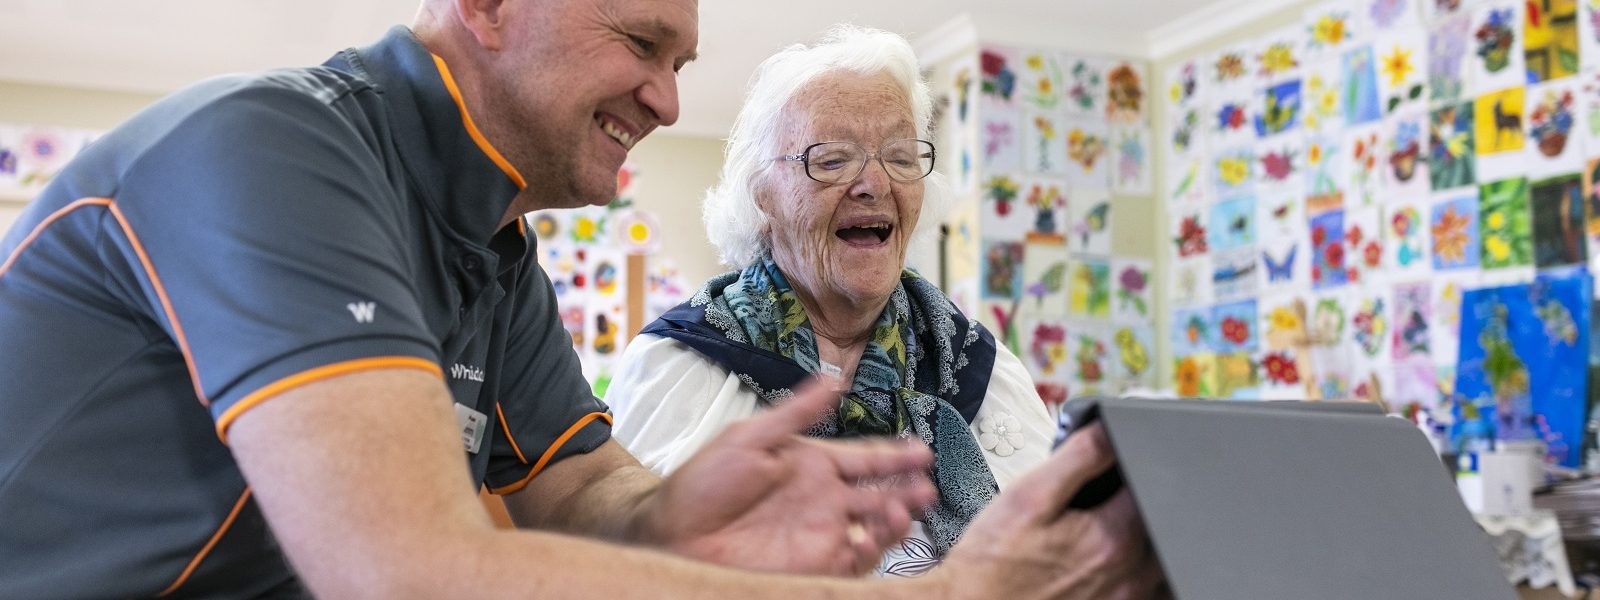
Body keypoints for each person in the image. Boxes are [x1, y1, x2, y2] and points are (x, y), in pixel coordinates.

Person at [0, 0, 1163, 597]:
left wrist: (676, 509)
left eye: (682, 64)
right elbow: (408, 571)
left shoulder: (491, 248)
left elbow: (583, 486)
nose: (664, 98)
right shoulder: (269, 148)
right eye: (640, 41)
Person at [607, 25, 1054, 576]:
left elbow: (1053, 558)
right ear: (763, 195)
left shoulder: (978, 366)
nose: (873, 183)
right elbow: (624, 572)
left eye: (899, 155)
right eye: (833, 158)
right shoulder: (679, 365)